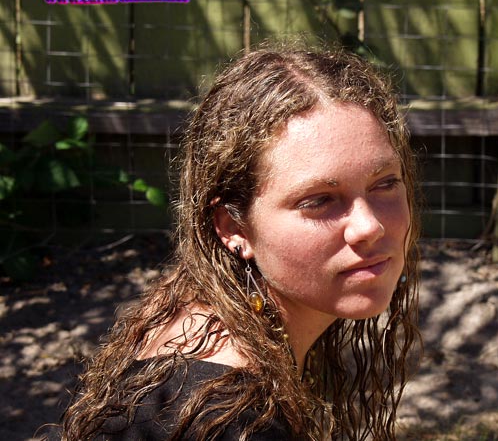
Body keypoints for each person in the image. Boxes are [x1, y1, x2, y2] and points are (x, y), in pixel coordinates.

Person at [51, 43, 421, 441]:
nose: (369, 226)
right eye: (318, 200)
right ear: (233, 228)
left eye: (385, 183)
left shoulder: (204, 315)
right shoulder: (227, 417)